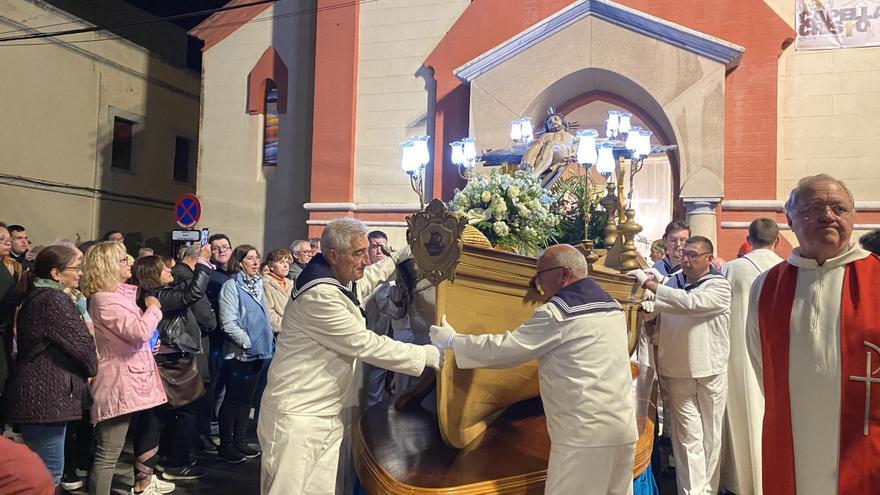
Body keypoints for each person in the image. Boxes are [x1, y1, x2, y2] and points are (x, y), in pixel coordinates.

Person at [430, 244, 637, 495]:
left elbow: (507, 350)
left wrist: (454, 341)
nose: (537, 282)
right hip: (622, 431)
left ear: (564, 273)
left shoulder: (558, 313)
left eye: (541, 273)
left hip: (584, 437)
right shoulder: (613, 306)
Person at [257, 218, 442, 495]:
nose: (366, 260)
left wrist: (406, 252)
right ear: (333, 255)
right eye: (358, 253)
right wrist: (430, 354)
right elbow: (365, 344)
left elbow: (369, 278)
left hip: (324, 412)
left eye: (366, 251)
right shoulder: (320, 295)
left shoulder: (338, 278)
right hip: (299, 416)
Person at [746, 174, 880, 494]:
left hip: (865, 443)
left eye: (839, 208)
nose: (828, 215)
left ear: (853, 218)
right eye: (814, 207)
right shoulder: (766, 287)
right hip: (791, 438)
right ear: (789, 219)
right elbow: (760, 363)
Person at [630, 236, 731, 495]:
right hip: (676, 370)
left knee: (711, 434)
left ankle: (708, 489)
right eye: (684, 254)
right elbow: (660, 306)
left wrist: (652, 285)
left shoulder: (719, 286)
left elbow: (690, 303)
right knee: (687, 437)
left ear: (709, 259)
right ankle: (691, 491)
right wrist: (647, 302)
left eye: (693, 255)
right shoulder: (674, 281)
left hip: (709, 369)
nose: (685, 259)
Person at [80, 241, 174, 495]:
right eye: (123, 259)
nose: (130, 262)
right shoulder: (105, 300)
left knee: (112, 450)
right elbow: (138, 331)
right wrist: (154, 309)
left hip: (127, 380)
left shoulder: (116, 296)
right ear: (107, 266)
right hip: (117, 383)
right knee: (108, 453)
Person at [4, 246, 98, 488]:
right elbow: (81, 343)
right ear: (56, 273)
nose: (80, 274)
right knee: (48, 474)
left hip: (40, 394)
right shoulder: (53, 299)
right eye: (76, 268)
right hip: (45, 396)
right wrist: (92, 369)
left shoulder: (37, 295)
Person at [132, 249, 212, 481]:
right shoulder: (157, 295)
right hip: (168, 362)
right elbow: (193, 292)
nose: (170, 269)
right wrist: (202, 262)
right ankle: (172, 464)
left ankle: (168, 460)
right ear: (153, 275)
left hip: (175, 360)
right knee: (166, 415)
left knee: (176, 412)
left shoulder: (159, 292)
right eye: (164, 268)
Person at [717, 219, 782, 495]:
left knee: (742, 417)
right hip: (775, 354)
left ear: (748, 238)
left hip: (737, 354)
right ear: (777, 240)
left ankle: (741, 483)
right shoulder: (786, 269)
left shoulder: (731, 270)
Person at [217, 244, 275, 463]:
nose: (255, 262)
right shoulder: (231, 286)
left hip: (260, 351)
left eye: (257, 258)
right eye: (250, 258)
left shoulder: (258, 284)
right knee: (232, 400)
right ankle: (226, 445)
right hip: (240, 353)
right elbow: (228, 321)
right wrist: (246, 342)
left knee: (246, 400)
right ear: (239, 261)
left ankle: (240, 441)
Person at [0, 223, 26, 402]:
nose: (7, 244)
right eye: (2, 240)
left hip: (7, 333)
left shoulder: (8, 266)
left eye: (9, 240)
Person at [262, 249, 292, 334]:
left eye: (287, 262)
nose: (286, 266)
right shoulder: (266, 285)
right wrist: (286, 327)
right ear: (271, 265)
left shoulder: (291, 284)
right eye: (281, 262)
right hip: (278, 333)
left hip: (294, 332)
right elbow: (269, 313)